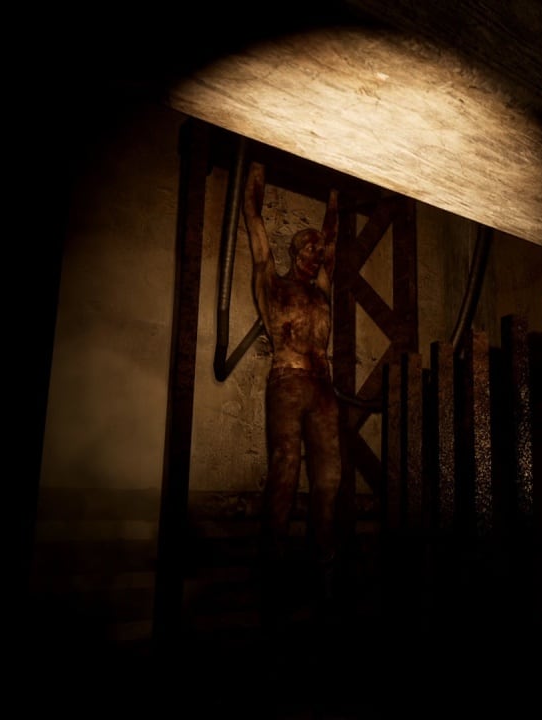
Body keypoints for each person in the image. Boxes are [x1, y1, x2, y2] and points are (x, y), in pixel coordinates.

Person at [241, 161, 343, 631]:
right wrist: (257, 167)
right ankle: (273, 575)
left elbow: (333, 238)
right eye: (308, 248)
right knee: (285, 471)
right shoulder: (273, 283)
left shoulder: (322, 291)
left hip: (323, 389)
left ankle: (323, 570)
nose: (315, 255)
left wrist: (335, 196)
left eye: (318, 251)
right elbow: (253, 218)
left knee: (329, 481)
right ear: (294, 251)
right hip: (286, 380)